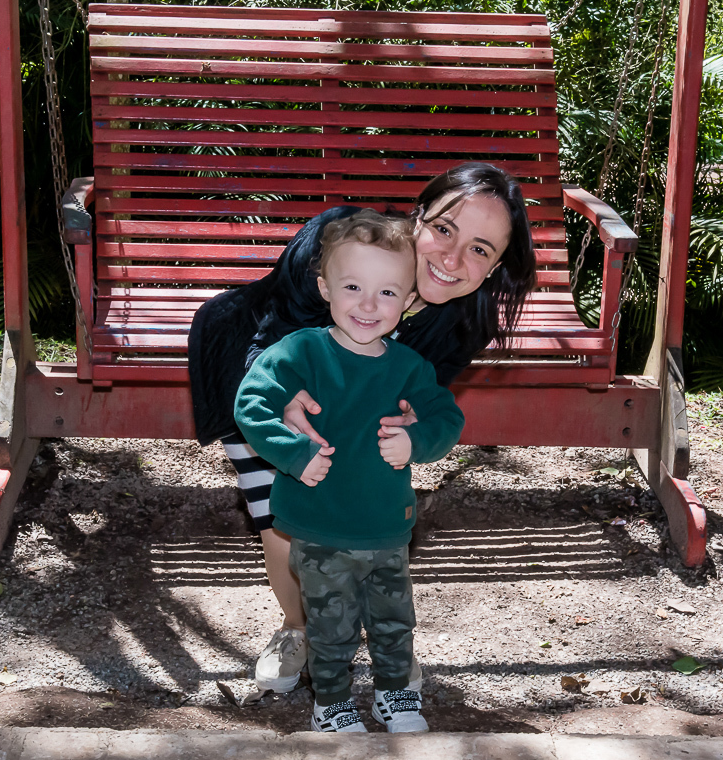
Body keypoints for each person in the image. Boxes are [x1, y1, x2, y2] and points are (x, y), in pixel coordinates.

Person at [188, 162, 537, 693]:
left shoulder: (467, 318)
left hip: (360, 394)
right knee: (285, 504)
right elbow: (273, 340)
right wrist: (286, 408)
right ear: (418, 219)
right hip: (256, 363)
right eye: (444, 229)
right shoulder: (340, 241)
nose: (452, 257)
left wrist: (411, 422)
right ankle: (299, 628)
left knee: (371, 505)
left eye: (480, 249)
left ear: (492, 268)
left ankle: (385, 640)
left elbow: (417, 391)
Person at [234, 210, 465, 732]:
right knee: (331, 624)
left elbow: (447, 417)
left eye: (387, 293)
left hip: (387, 524)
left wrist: (416, 441)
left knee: (393, 620)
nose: (367, 305)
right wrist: (292, 453)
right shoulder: (301, 353)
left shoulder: (408, 367)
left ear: (408, 301)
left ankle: (393, 694)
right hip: (320, 524)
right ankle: (331, 702)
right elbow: (252, 404)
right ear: (325, 287)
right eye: (354, 286)